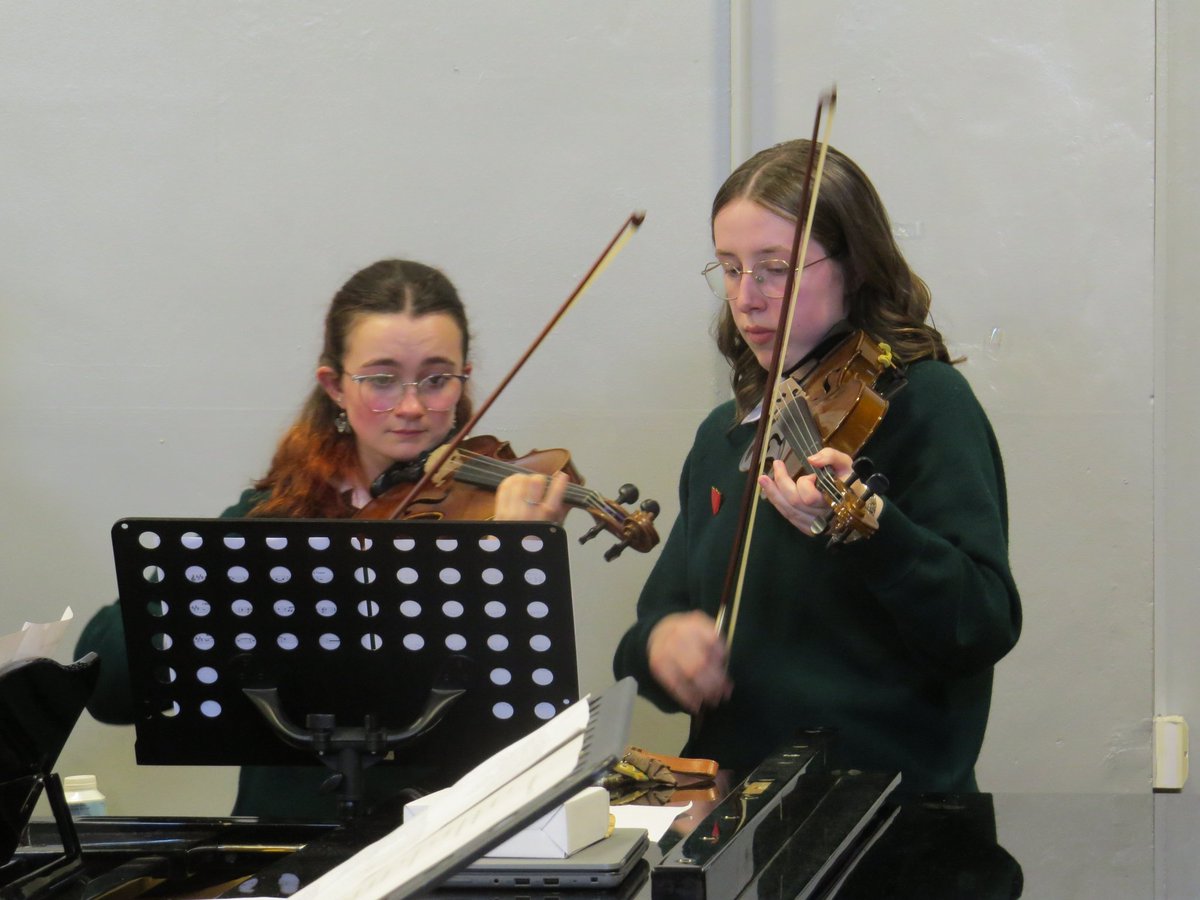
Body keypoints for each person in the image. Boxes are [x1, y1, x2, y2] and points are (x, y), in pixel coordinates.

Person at [76, 259, 568, 818]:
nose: (411, 406)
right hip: (292, 835)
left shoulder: (493, 520)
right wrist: (231, 563)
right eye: (381, 379)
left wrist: (510, 560)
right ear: (335, 386)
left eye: (436, 379)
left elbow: (515, 710)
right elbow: (108, 685)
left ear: (463, 380)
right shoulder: (275, 518)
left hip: (455, 829)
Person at [612, 140, 1022, 794]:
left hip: (887, 822)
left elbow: (981, 624)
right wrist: (663, 644)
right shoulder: (725, 439)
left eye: (777, 268)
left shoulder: (926, 405)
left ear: (855, 265)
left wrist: (872, 529)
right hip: (738, 815)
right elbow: (647, 635)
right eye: (730, 268)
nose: (747, 298)